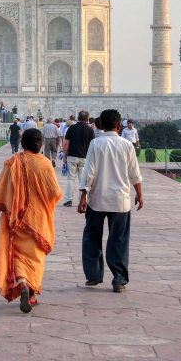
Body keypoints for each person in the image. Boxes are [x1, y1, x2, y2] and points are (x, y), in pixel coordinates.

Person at [0, 128, 62, 313]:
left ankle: (22, 284)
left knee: (18, 255)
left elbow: (2, 191)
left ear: (22, 143)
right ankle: (32, 292)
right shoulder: (45, 164)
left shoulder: (13, 163)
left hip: (16, 218)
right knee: (35, 257)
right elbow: (55, 192)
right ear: (41, 144)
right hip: (38, 219)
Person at [78, 109, 144, 293]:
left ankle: (93, 275)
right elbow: (134, 173)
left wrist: (83, 196)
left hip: (97, 199)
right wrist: (139, 193)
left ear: (100, 124)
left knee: (91, 237)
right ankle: (119, 280)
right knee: (119, 240)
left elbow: (88, 172)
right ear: (118, 125)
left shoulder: (95, 144)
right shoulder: (126, 145)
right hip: (120, 200)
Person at [62, 111, 93, 207]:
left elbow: (66, 143)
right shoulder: (90, 130)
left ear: (78, 118)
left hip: (72, 156)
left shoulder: (72, 128)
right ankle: (83, 200)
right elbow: (92, 146)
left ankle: (68, 200)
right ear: (87, 119)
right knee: (83, 180)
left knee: (70, 179)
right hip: (84, 157)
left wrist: (64, 156)